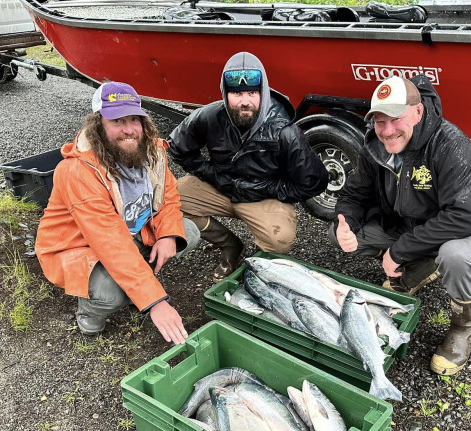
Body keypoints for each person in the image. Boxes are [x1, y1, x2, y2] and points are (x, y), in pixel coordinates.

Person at [330, 75, 471, 376]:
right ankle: (421, 265)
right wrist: (346, 220)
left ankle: (464, 329)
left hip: (465, 227)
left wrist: (397, 251)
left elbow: (462, 216)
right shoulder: (375, 144)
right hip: (407, 224)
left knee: (455, 256)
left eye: (395, 119)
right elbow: (354, 194)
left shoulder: (450, 144)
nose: (387, 130)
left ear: (418, 112)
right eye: (380, 122)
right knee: (339, 234)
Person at [35, 81, 200, 342]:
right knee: (111, 293)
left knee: (186, 233)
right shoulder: (77, 172)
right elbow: (108, 241)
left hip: (129, 233)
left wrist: (168, 235)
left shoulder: (152, 151)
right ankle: (89, 311)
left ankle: (138, 280)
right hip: (80, 247)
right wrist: (156, 302)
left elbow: (168, 196)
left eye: (134, 119)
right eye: (117, 121)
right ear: (98, 124)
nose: (129, 130)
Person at [168, 51, 328, 282]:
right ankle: (231, 246)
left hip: (262, 196)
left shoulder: (285, 131)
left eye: (252, 92)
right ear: (225, 93)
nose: (245, 101)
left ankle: (258, 265)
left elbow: (314, 181)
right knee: (169, 199)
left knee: (279, 239)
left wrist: (271, 189)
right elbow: (178, 147)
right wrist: (211, 174)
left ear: (263, 92)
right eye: (236, 93)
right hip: (221, 187)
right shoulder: (210, 116)